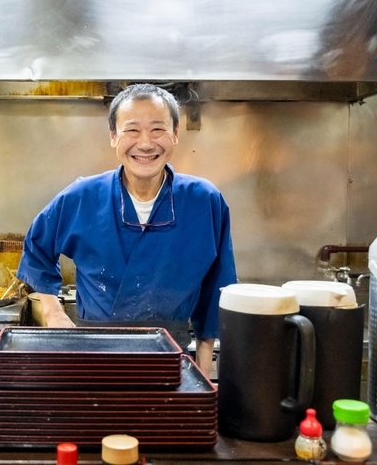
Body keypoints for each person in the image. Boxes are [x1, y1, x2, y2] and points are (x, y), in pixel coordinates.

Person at [16, 83, 236, 377]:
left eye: (157, 129)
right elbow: (37, 247)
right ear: (113, 136)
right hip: (93, 355)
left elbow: (217, 287)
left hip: (170, 357)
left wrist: (204, 365)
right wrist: (53, 311)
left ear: (175, 134)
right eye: (132, 130)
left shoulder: (204, 201)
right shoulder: (83, 196)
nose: (145, 143)